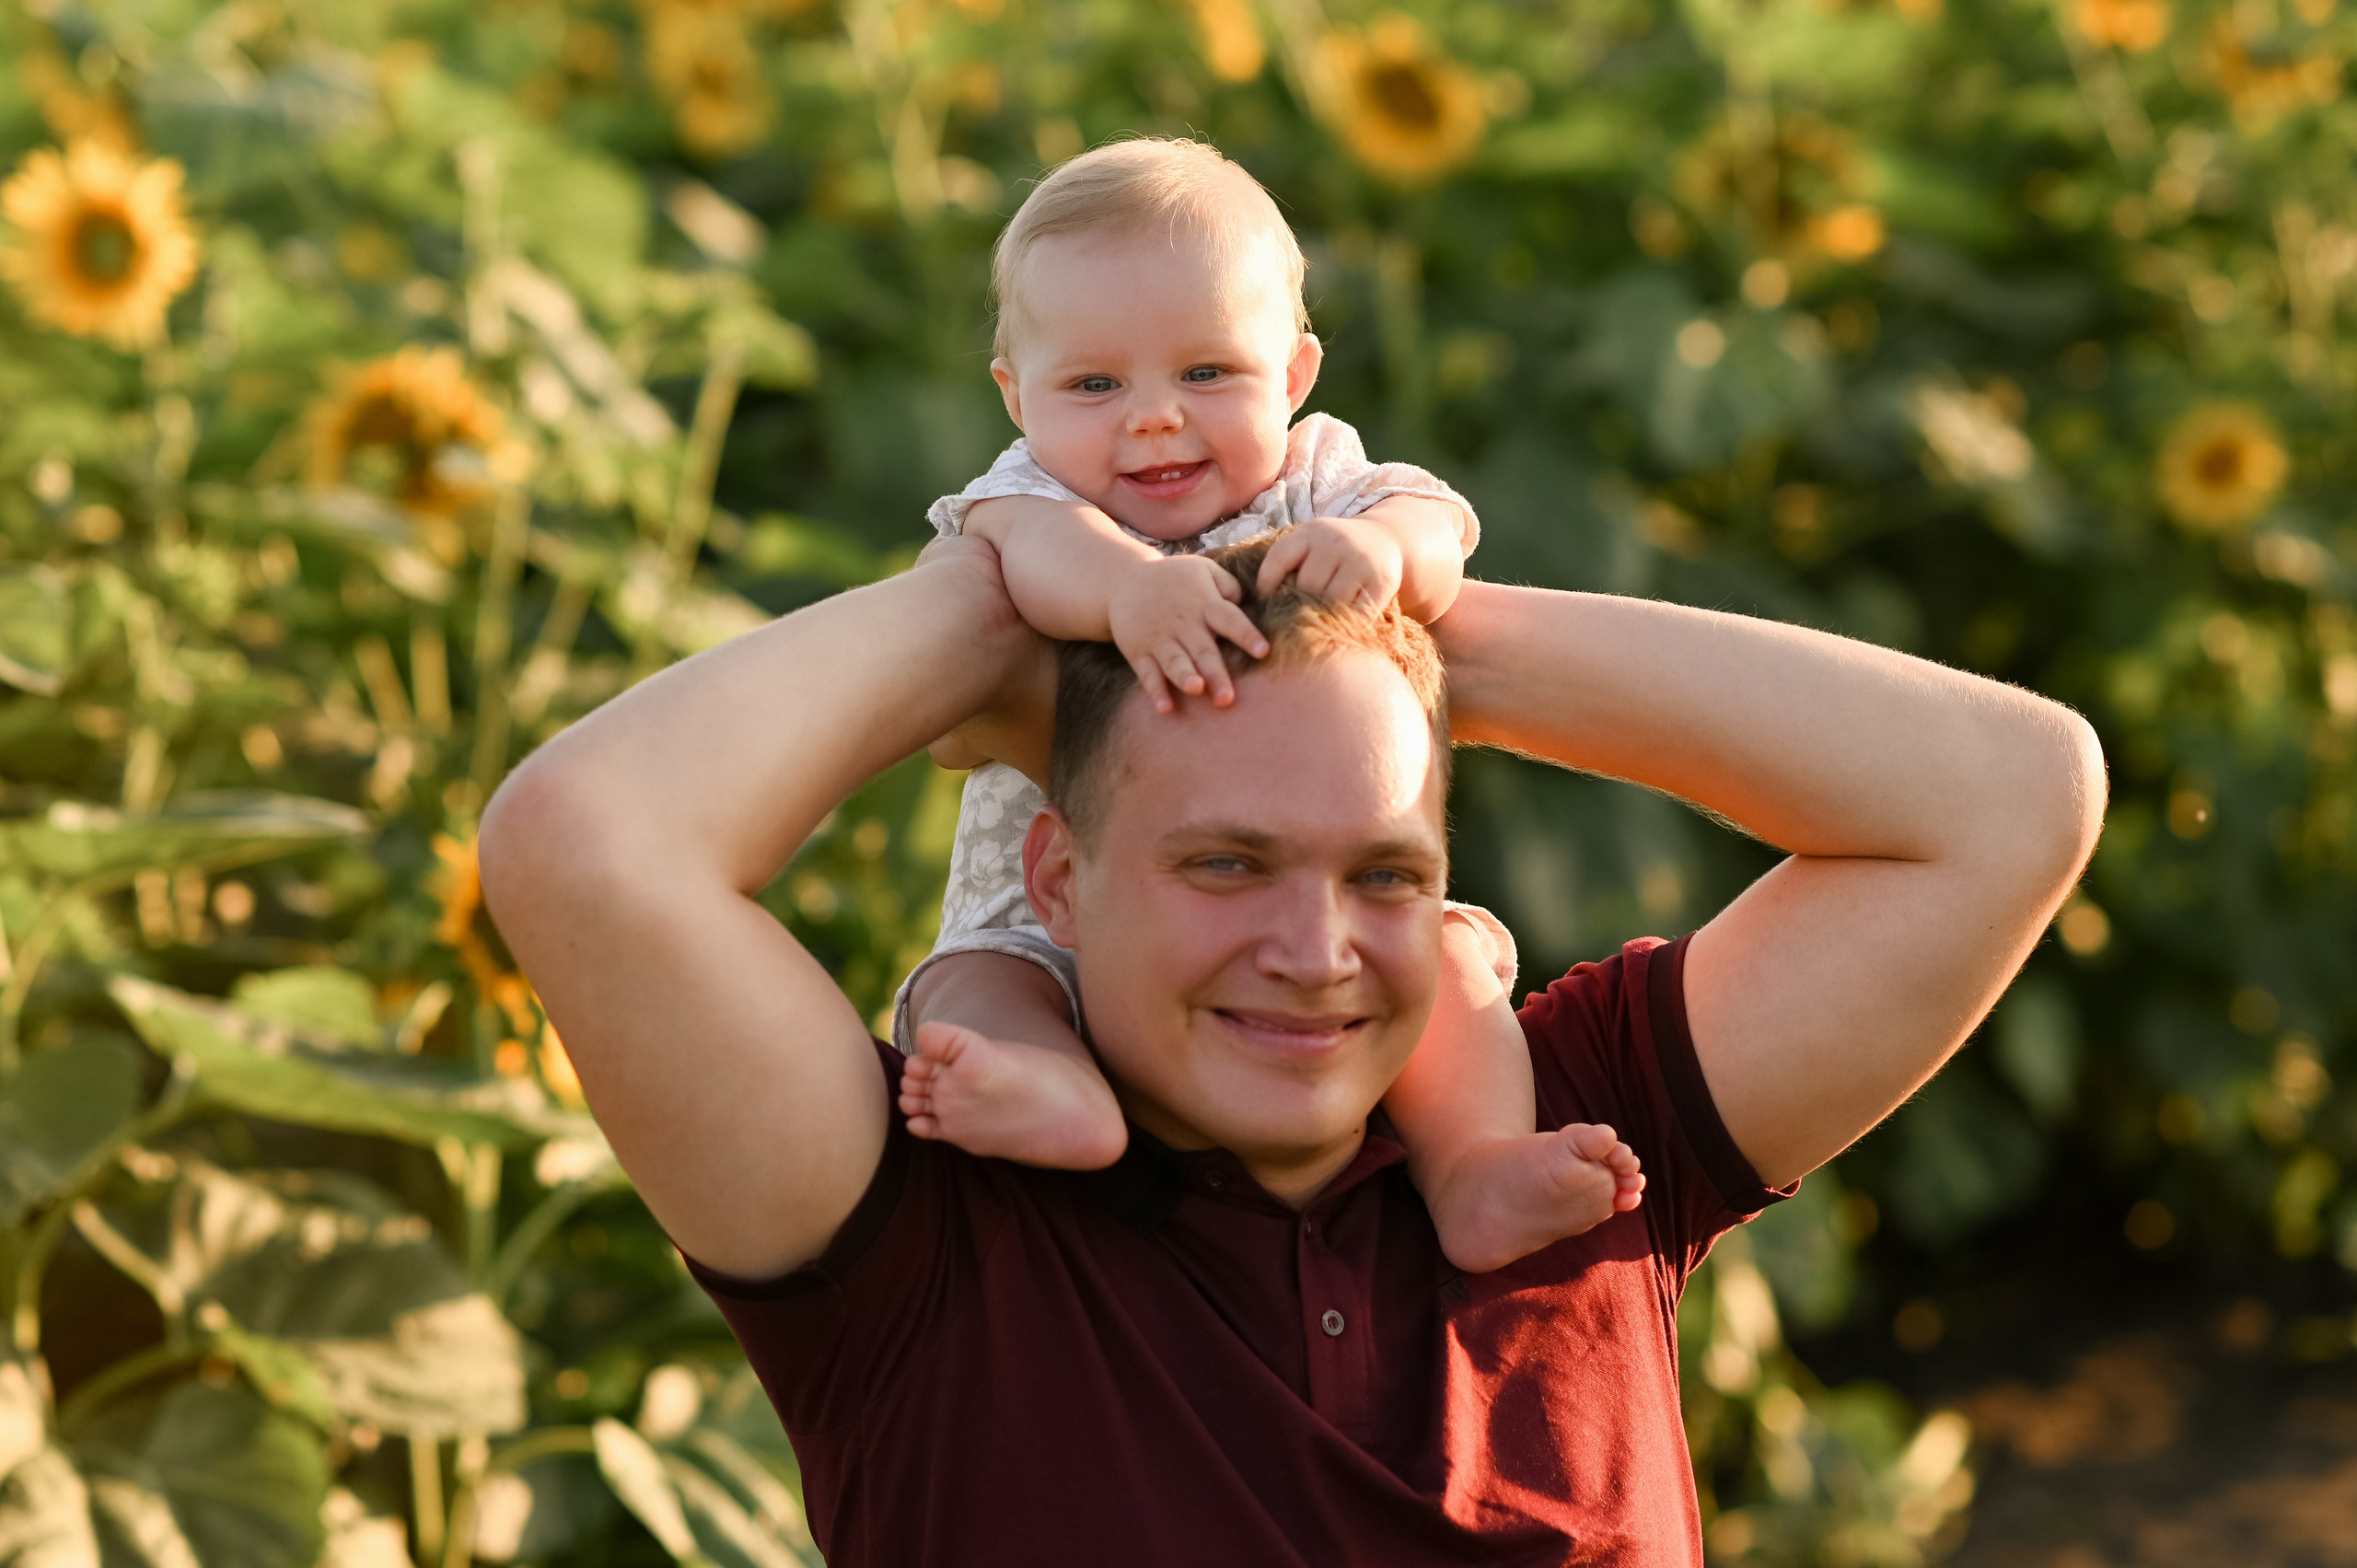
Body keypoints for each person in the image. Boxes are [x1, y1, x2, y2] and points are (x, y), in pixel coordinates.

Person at [479, 525, 2104, 1565]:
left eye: (1386, 869)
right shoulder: (923, 1232)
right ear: (1058, 873)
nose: (1316, 952)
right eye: (1227, 863)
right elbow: (581, 842)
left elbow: (2012, 794)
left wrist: (1412, 630)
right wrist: (1005, 606)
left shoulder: (1563, 1139)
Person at [898, 136, 1638, 1273]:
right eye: (1095, 385)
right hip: (1041, 906)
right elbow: (1032, 562)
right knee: (973, 980)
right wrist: (1128, 589)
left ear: (1292, 377)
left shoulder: (1315, 477)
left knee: (1443, 967)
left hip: (1311, 890)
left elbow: (1437, 529)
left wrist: (1379, 547)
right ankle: (1055, 1092)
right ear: (1016, 394)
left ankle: (1477, 1163)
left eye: (1207, 375)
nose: (1152, 420)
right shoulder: (1035, 497)